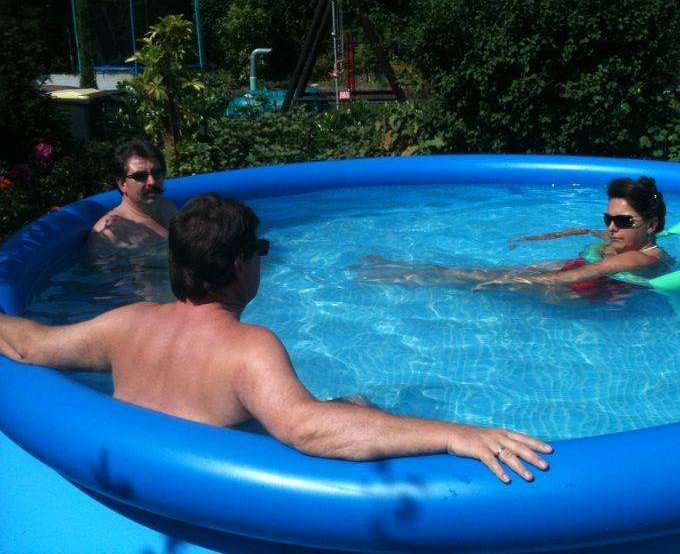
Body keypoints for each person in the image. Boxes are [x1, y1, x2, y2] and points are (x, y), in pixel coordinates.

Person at [0, 194, 552, 484]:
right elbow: (307, 430)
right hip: (211, 508)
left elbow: (27, 345)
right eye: (259, 252)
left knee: (351, 405)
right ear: (240, 265)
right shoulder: (248, 348)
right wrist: (456, 435)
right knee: (355, 410)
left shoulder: (127, 324)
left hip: (129, 484)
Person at [355, 177, 671, 299]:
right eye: (608, 219)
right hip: (569, 273)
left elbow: (582, 274)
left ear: (651, 225)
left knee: (478, 278)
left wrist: (512, 282)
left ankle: (402, 276)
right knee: (473, 273)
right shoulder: (626, 240)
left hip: (572, 290)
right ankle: (402, 272)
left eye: (622, 221)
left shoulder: (637, 257)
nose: (612, 228)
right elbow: (587, 232)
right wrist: (539, 237)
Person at [86, 139, 178, 249]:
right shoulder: (108, 234)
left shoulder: (168, 208)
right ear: (122, 184)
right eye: (140, 176)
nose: (152, 182)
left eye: (157, 173)